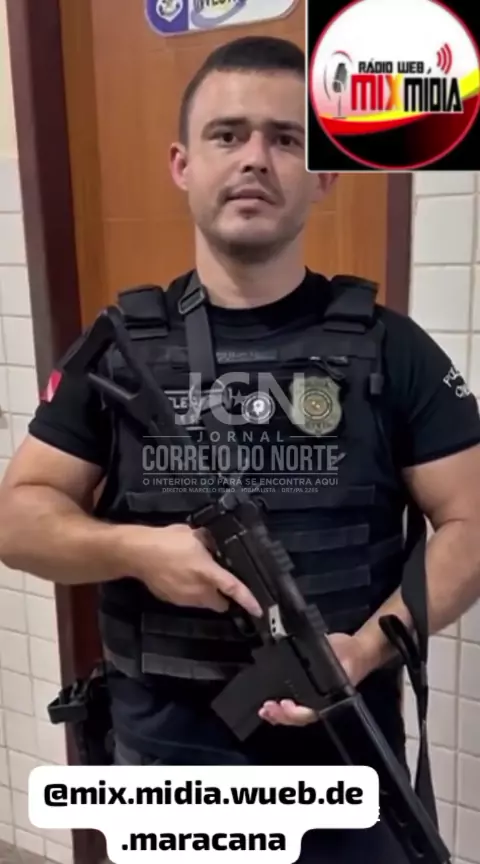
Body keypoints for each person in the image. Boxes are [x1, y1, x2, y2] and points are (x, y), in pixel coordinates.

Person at [1, 34, 480, 863]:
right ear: (183, 165)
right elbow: (17, 519)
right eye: (227, 135)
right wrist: (140, 551)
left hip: (342, 754)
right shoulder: (119, 350)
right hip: (168, 764)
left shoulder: (391, 348)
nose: (255, 158)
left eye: (286, 138)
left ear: (324, 176)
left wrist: (366, 647)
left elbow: (472, 523)